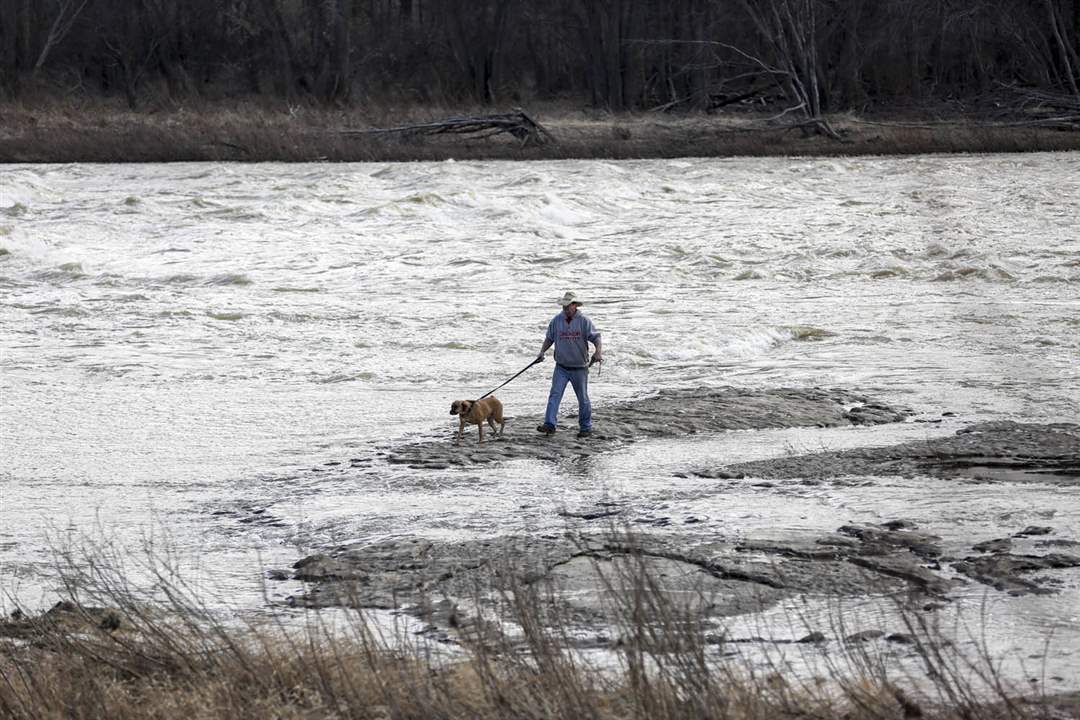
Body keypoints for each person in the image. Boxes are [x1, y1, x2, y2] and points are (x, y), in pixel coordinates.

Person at [535, 291, 602, 438]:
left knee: (583, 398)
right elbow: (549, 338)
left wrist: (598, 352)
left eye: (567, 306)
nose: (565, 309)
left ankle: (586, 427)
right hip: (561, 367)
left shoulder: (584, 321)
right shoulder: (556, 320)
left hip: (580, 368)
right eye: (563, 306)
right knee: (554, 395)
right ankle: (549, 424)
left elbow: (596, 338)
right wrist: (541, 352)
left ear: (574, 305)